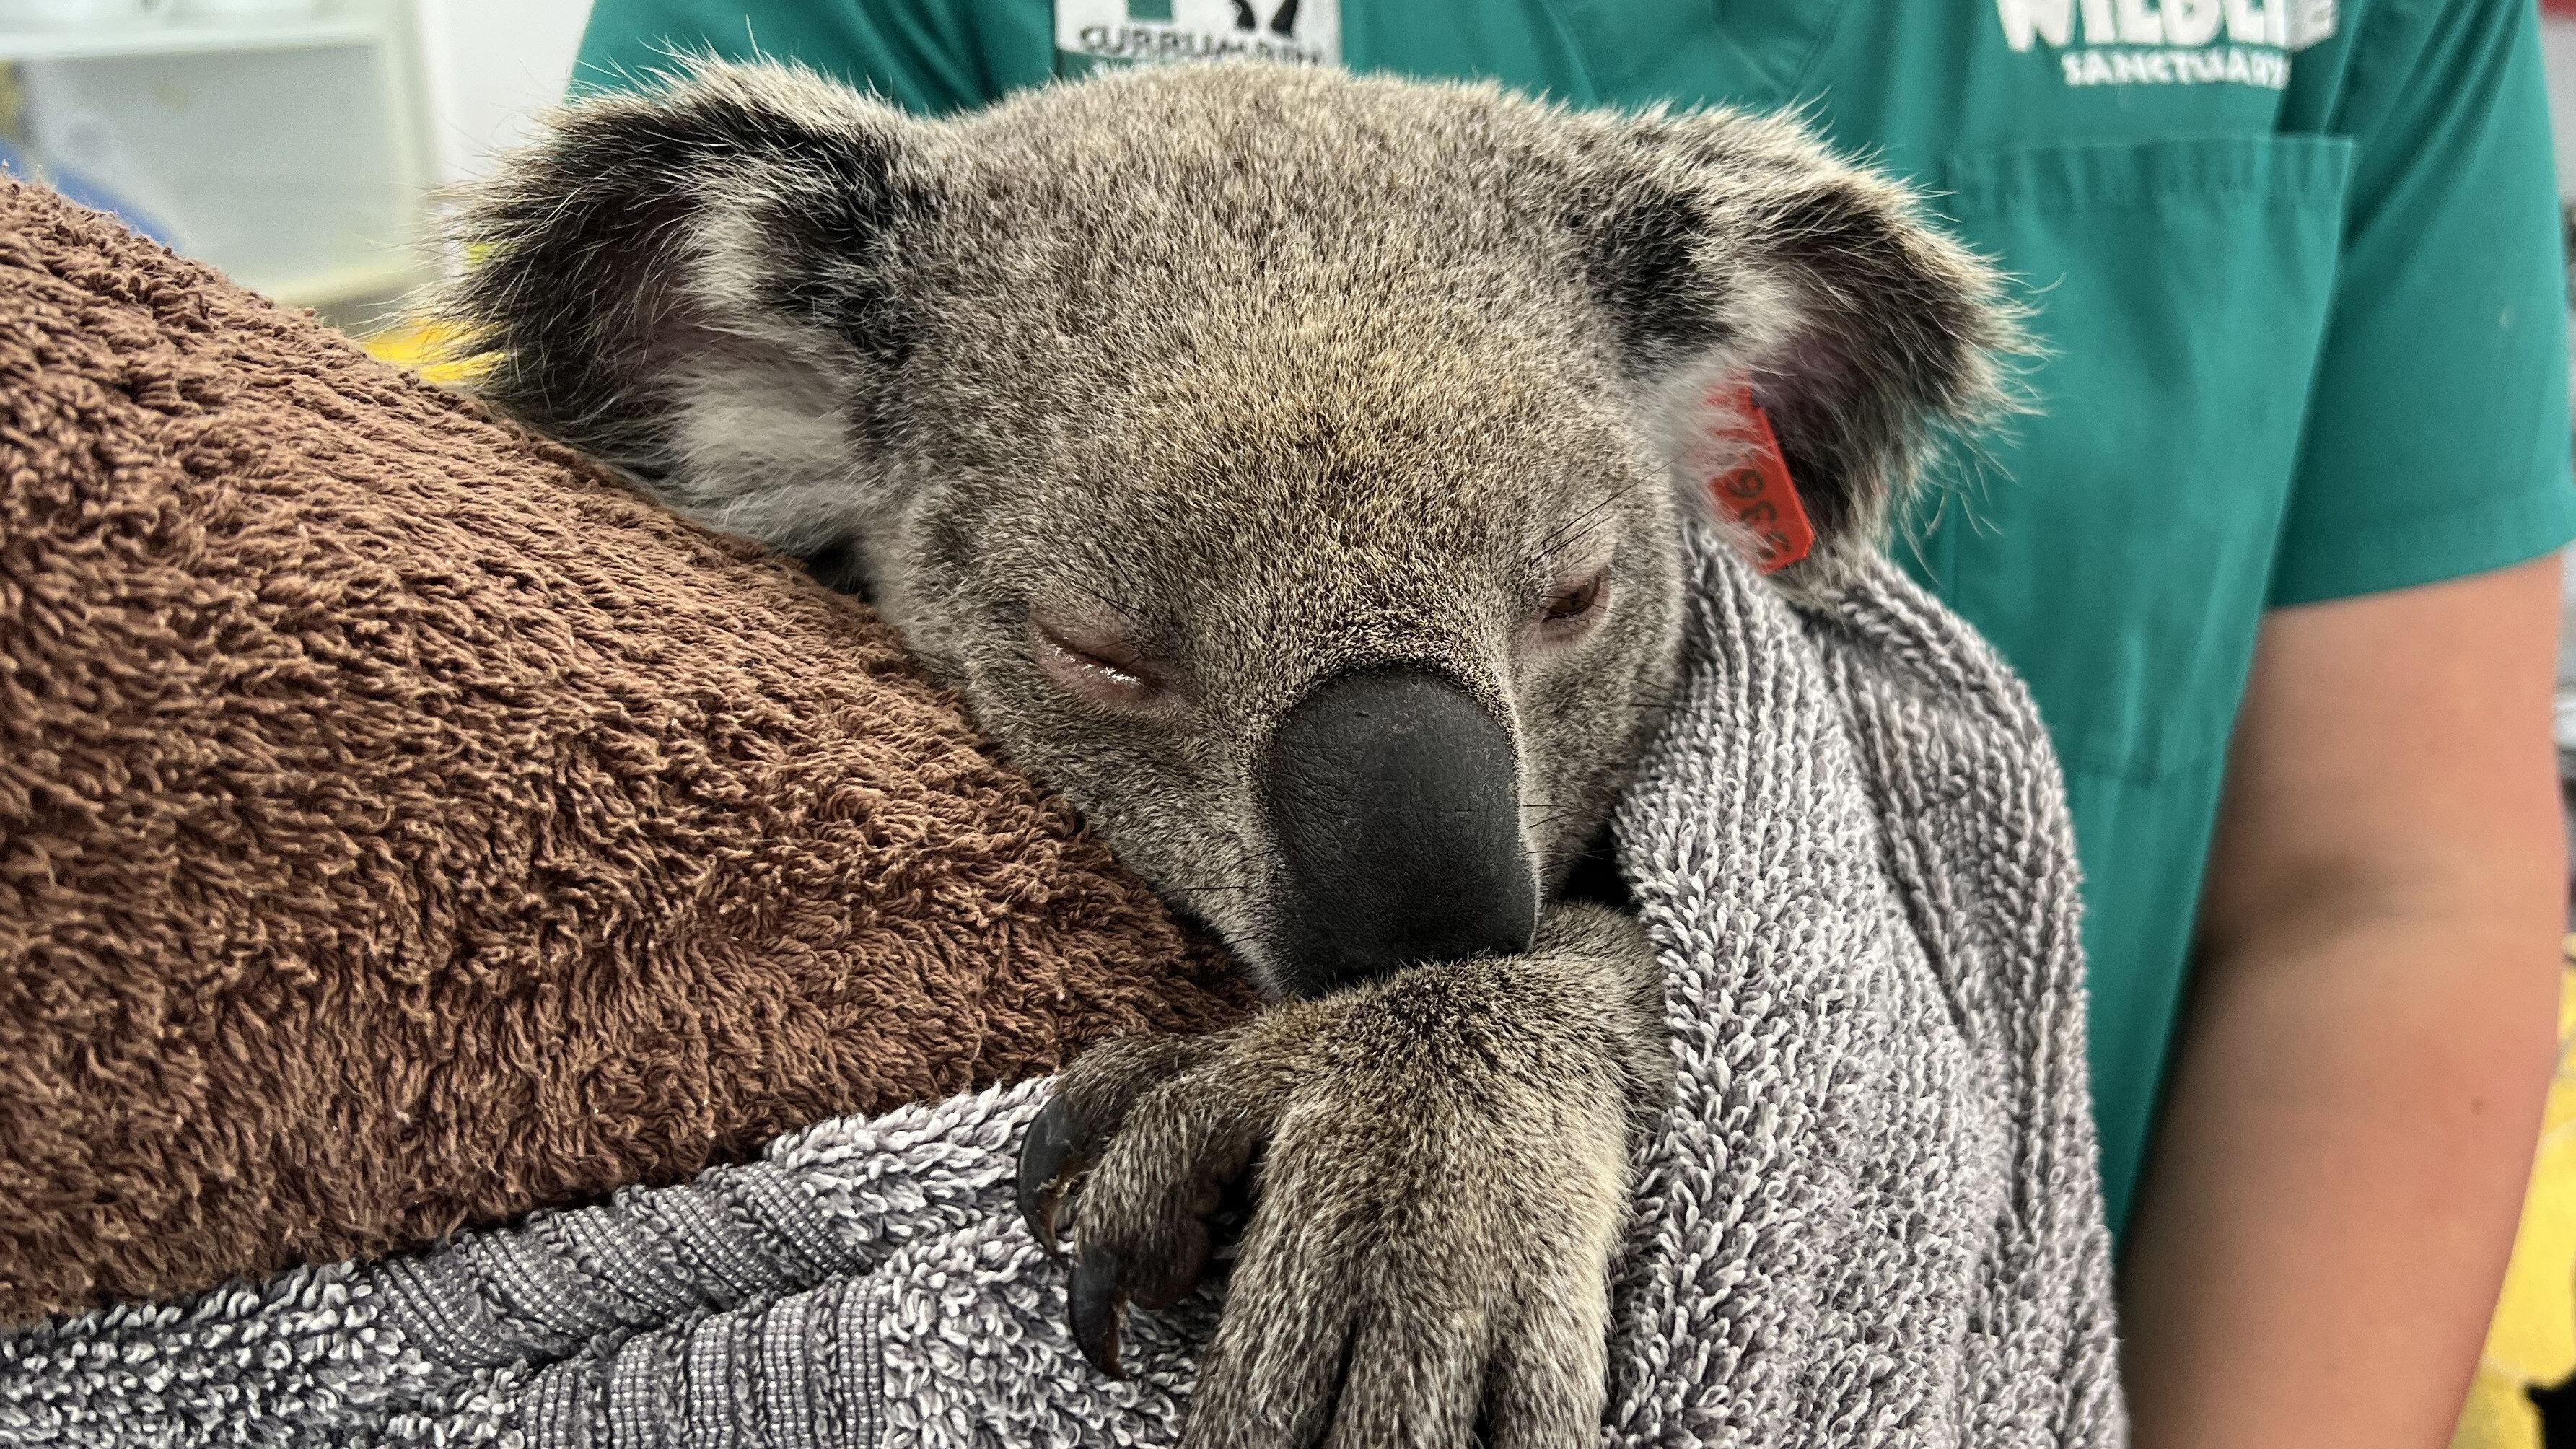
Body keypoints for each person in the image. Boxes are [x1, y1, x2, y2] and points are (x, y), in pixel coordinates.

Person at [569, 3, 2575, 1443]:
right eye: (1109, 646)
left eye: (1569, 600)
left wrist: (1551, 1025)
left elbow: (2385, 882)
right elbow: (654, 854)